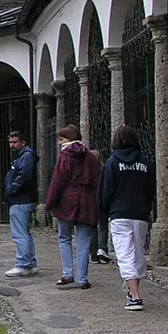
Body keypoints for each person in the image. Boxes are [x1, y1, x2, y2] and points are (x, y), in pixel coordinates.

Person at [100, 125, 155, 311]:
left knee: (125, 254)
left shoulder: (112, 163)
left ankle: (135, 297)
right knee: (138, 253)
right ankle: (133, 290)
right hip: (140, 214)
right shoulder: (146, 163)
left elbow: (106, 190)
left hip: (119, 213)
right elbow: (151, 189)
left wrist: (105, 209)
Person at [44, 123, 101, 289]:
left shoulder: (65, 155)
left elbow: (58, 181)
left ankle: (68, 273)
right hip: (87, 201)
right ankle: (83, 278)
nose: (60, 142)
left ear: (68, 139)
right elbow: (97, 178)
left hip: (67, 200)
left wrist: (50, 202)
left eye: (61, 139)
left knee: (64, 238)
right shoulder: (90, 156)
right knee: (84, 242)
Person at [2, 131, 38, 278]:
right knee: (25, 233)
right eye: (10, 142)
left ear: (22, 142)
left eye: (15, 142)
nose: (12, 145)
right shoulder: (23, 156)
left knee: (20, 234)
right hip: (22, 199)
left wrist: (12, 190)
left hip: (21, 199)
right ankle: (29, 263)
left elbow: (24, 176)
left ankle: (23, 264)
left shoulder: (26, 156)